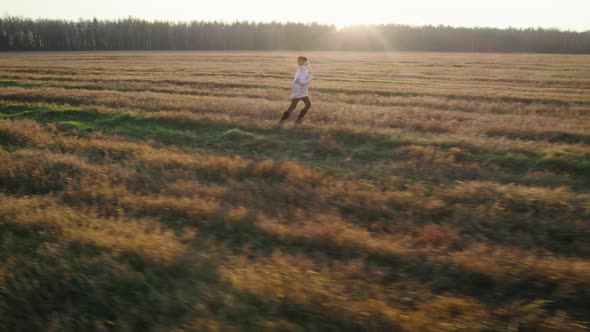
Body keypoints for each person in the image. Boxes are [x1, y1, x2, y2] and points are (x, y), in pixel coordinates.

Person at [276, 56, 313, 128]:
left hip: (300, 91)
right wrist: (310, 78)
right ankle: (282, 122)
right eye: (307, 62)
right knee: (294, 106)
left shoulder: (302, 70)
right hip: (299, 92)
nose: (308, 63)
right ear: (304, 63)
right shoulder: (301, 71)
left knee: (306, 105)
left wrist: (308, 75)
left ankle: (297, 119)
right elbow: (303, 82)